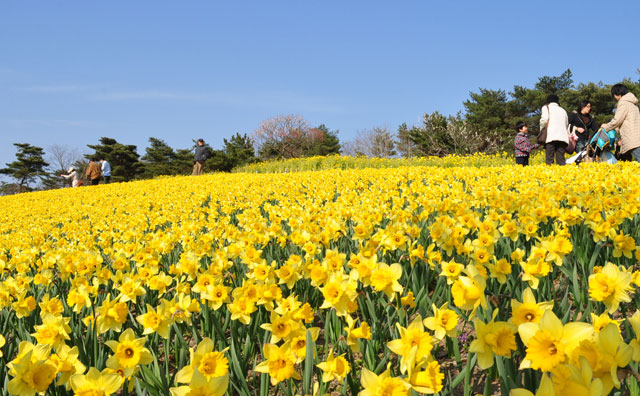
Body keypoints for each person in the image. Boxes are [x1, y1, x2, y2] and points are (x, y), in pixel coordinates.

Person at [600, 84, 640, 162]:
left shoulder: (623, 102)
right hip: (637, 136)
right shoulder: (633, 103)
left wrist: (606, 127)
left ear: (616, 94)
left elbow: (617, 120)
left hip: (632, 137)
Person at [540, 94, 570, 165]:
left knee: (550, 159)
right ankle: (562, 175)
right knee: (561, 160)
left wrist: (541, 129)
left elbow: (544, 120)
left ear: (548, 101)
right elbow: (566, 124)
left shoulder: (546, 107)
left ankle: (550, 175)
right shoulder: (563, 110)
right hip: (562, 138)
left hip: (551, 136)